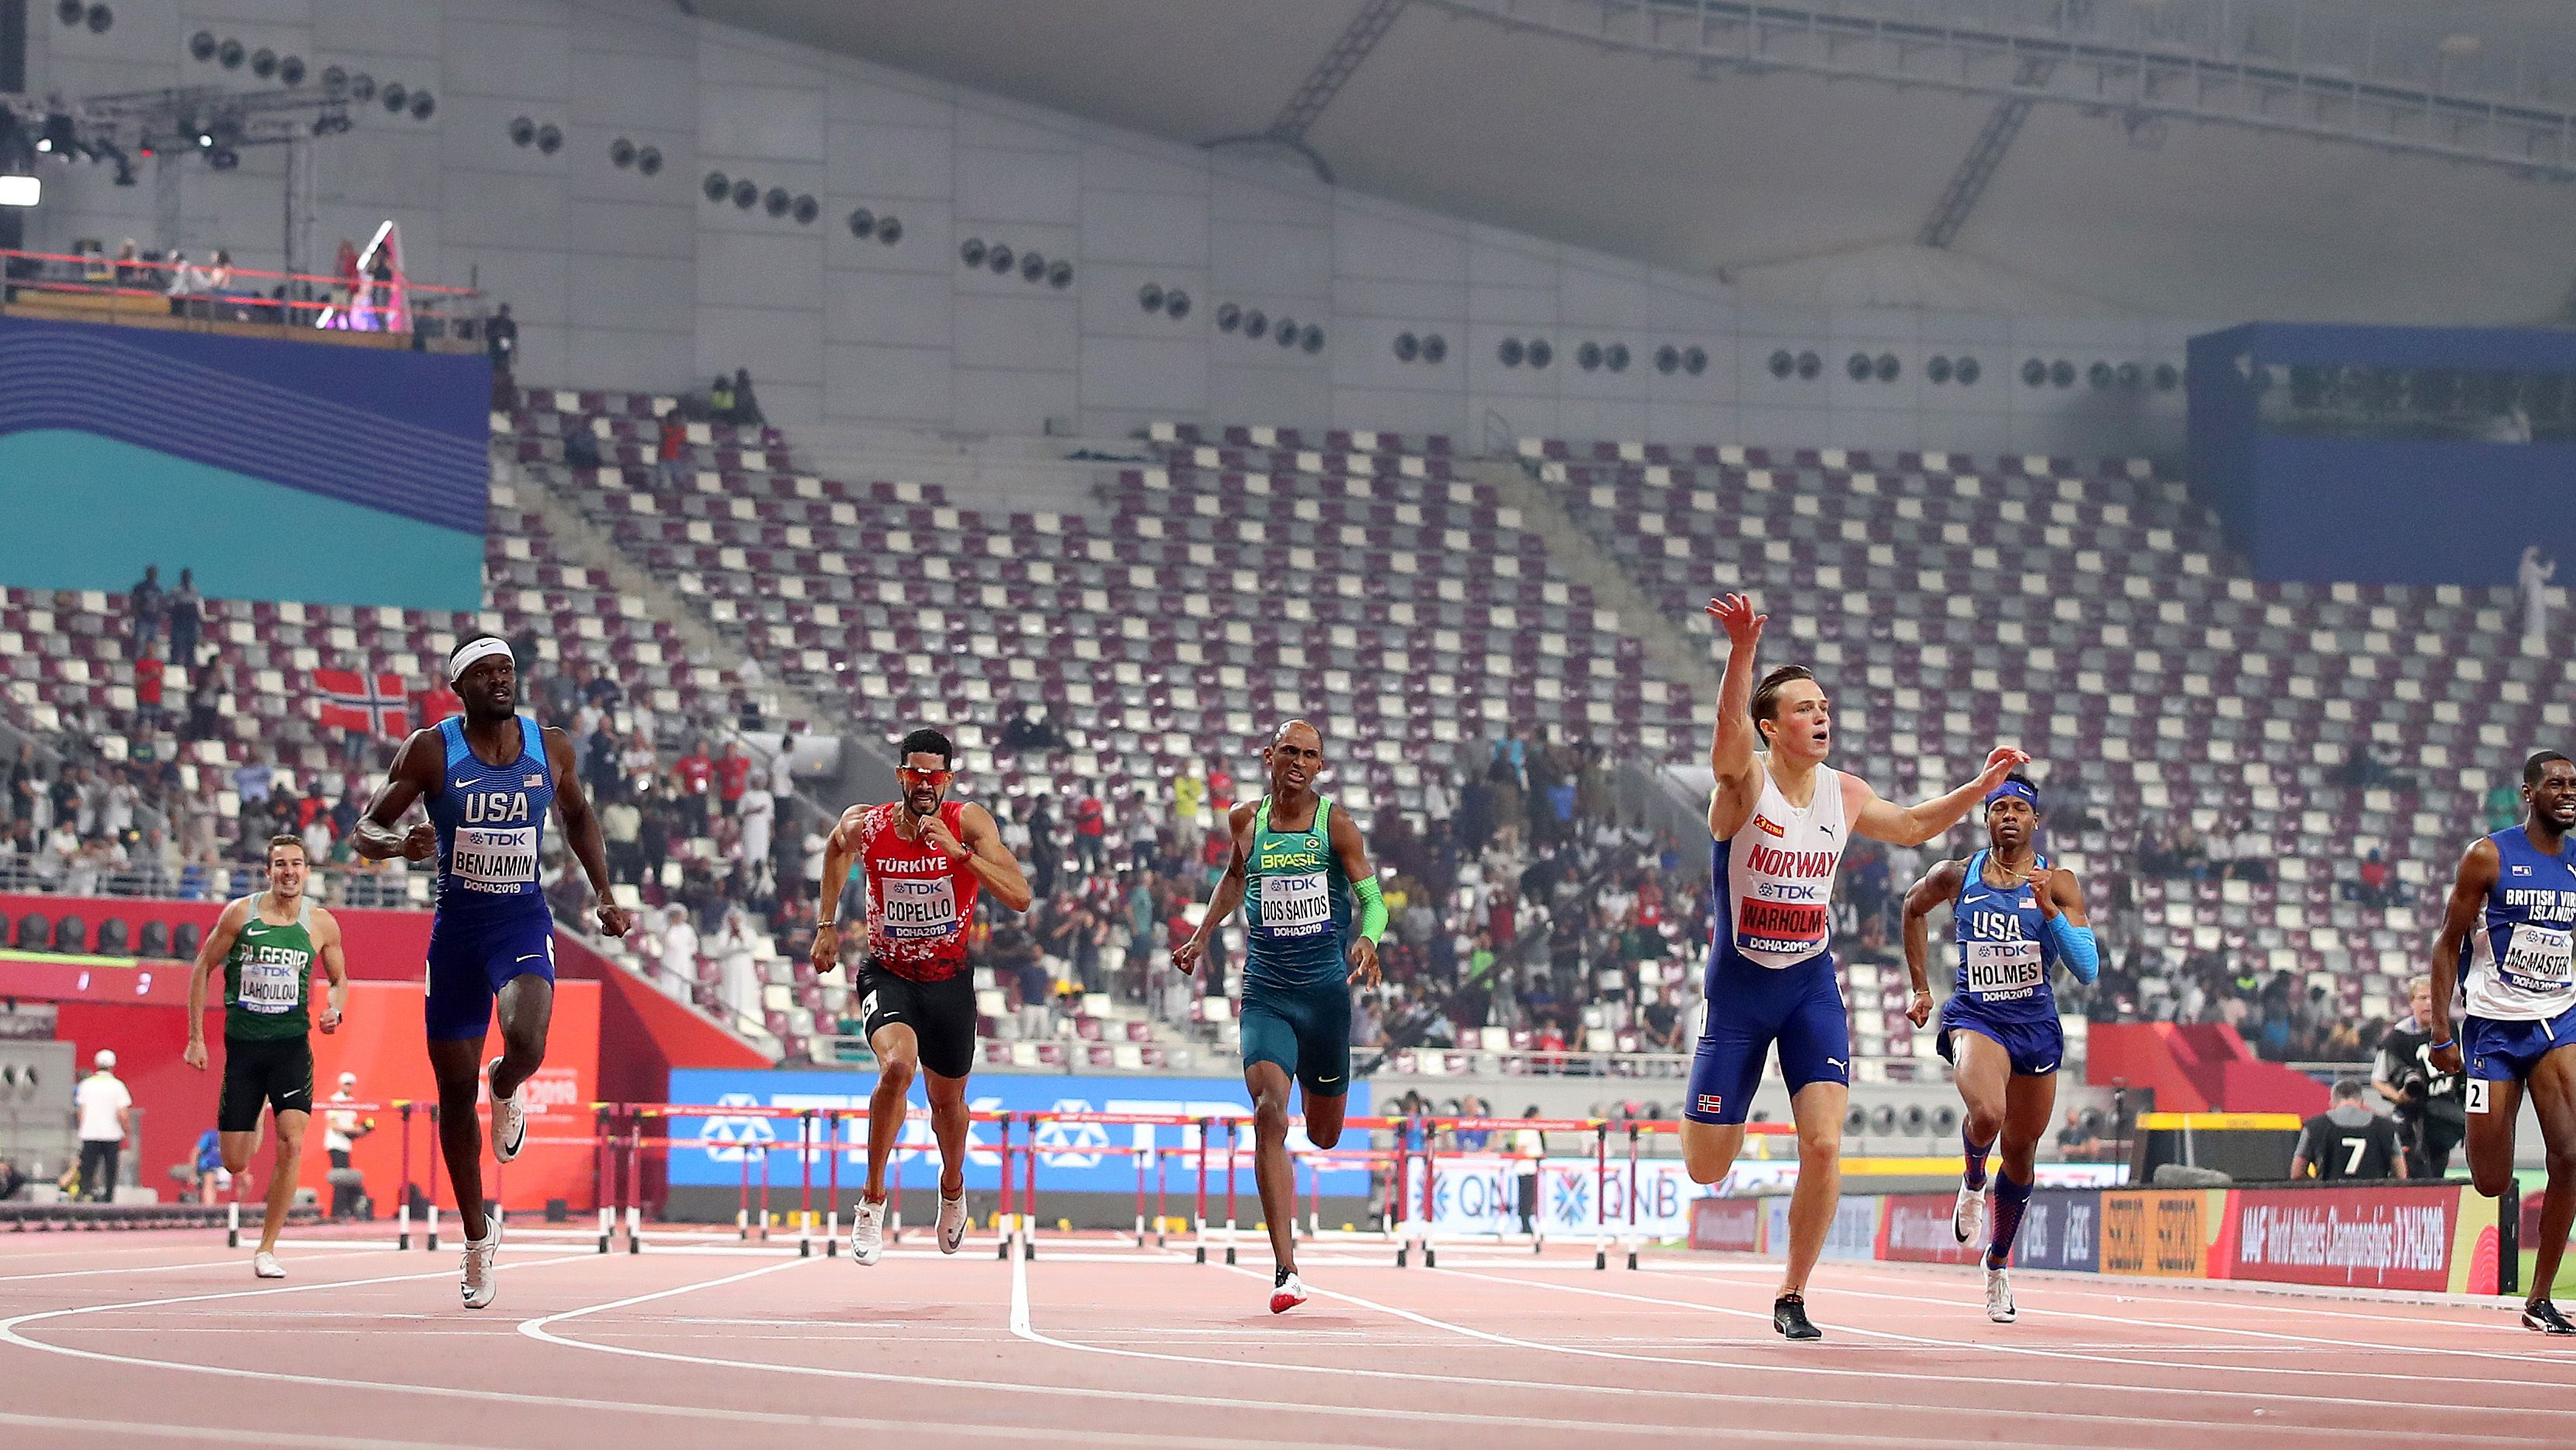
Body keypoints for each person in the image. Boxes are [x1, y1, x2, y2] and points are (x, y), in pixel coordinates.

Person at [1684, 594, 2025, 1341]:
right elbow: (1726, 737)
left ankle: (1792, 1293)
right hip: (1738, 994)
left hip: (1808, 987)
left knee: (1823, 1143)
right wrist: (1741, 652)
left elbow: (1911, 825)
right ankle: (1728, 1113)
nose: (1821, 717)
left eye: (1825, 707)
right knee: (1707, 1167)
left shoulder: (1844, 792)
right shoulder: (1742, 787)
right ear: (1770, 726)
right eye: (1804, 709)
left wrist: (1978, 789)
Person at [353, 635, 630, 1310]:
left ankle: (506, 1084)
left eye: (505, 669)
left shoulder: (549, 746)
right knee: (453, 1094)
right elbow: (365, 828)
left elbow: (578, 814)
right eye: (484, 672)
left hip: (519, 921)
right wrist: (400, 844)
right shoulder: (431, 750)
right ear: (460, 688)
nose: (500, 679)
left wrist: (604, 892)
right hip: (456, 933)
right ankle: (477, 1239)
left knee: (527, 1042)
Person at [1175, 719, 1385, 1314]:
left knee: (1323, 1133)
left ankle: (1321, 1096)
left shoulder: (1335, 825)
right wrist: (1201, 936)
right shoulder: (1245, 819)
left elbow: (1372, 899)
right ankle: (1285, 1269)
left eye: (1309, 754)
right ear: (1268, 756)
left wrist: (1368, 939)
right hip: (1266, 992)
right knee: (1269, 1111)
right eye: (1289, 751)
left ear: (1320, 766)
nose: (1298, 761)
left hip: (1324, 999)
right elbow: (1234, 877)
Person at [811, 726, 1031, 1265]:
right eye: (915, 774)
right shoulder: (868, 824)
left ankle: (952, 1187)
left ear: (948, 780)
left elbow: (1020, 896)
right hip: (888, 974)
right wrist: (826, 924)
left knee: (947, 1105)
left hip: (949, 982)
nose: (925, 783)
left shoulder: (968, 822)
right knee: (897, 1068)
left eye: (935, 775)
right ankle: (871, 1199)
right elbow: (836, 848)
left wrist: (960, 855)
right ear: (901, 776)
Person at [1901, 775, 2098, 1324]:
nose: (2009, 816)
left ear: (2036, 820)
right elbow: (1912, 908)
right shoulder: (1956, 875)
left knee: (2021, 1152)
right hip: (1976, 1016)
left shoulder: (2059, 882)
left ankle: (1997, 1263)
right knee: (1988, 1112)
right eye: (1999, 808)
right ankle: (1971, 1181)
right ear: (1985, 818)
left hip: (2033, 1025)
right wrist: (1921, 988)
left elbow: (2087, 968)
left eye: (2019, 808)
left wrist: (2049, 911)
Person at [2428, 748, 2576, 1334]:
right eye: (2556, 784)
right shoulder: (2488, 856)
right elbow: (2447, 943)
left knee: (2571, 1154)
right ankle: (2492, 1125)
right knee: (2491, 1179)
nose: (2568, 792)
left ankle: (2539, 1298)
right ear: (2529, 794)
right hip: (2491, 1027)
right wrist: (2441, 1031)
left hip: (2557, 1019)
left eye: (2574, 784)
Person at [182, 836, 349, 1276]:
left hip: (291, 1047)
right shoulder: (240, 914)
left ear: (307, 871)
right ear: (268, 872)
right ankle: (256, 1111)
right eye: (280, 865)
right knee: (235, 1161)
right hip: (244, 1048)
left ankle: (267, 1248)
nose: (289, 872)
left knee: (292, 1143)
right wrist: (196, 1038)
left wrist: (335, 1009)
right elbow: (202, 968)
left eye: (296, 864)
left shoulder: (322, 923)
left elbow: (338, 980)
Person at [2375, 974, 2467, 1178]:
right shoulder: (2398, 1037)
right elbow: (2378, 1079)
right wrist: (2398, 1097)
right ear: (2411, 1002)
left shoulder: (2450, 1028)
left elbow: (2462, 1068)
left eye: (2433, 998)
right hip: (2413, 1119)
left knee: (2437, 1170)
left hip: (2444, 1116)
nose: (2429, 1004)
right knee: (2416, 1172)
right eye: (2423, 998)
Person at [2291, 1079, 2406, 1182]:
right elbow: (2401, 1174)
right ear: (2362, 1103)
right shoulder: (2387, 1127)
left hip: (2330, 1197)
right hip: (2373, 1197)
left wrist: (2319, 1186)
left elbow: (2297, 1174)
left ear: (2332, 1104)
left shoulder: (2313, 1126)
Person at [73, 1049, 132, 1203]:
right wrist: (127, 1132)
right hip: (111, 1134)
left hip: (90, 1133)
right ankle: (108, 1199)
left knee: (88, 1168)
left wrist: (83, 1127)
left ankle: (85, 1195)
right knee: (110, 1170)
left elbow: (80, 1111)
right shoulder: (118, 1086)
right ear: (113, 1065)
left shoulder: (86, 1085)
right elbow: (123, 1114)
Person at [324, 1071, 374, 1218]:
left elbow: (350, 1125)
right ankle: (337, 1211)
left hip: (345, 1144)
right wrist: (355, 1130)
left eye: (351, 1084)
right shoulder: (335, 1100)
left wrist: (363, 1130)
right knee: (340, 1178)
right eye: (346, 1084)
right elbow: (333, 1125)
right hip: (335, 1144)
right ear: (341, 1085)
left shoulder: (351, 1102)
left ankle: (344, 1210)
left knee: (346, 1178)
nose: (349, 1087)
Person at [1512, 1107, 1546, 1236]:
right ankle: (1525, 1225)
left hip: (1531, 1168)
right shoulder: (1527, 1129)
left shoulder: (1533, 1129)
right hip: (1526, 1168)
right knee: (1526, 1198)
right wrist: (1514, 1161)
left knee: (1529, 1198)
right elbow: (1521, 1148)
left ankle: (1527, 1224)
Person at [2522, 545, 2557, 650]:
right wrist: (2551, 565)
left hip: (2533, 594)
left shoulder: (2525, 568)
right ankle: (2535, 639)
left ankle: (2536, 638)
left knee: (2534, 616)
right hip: (2534, 595)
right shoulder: (2531, 566)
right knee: (2535, 616)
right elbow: (2547, 575)